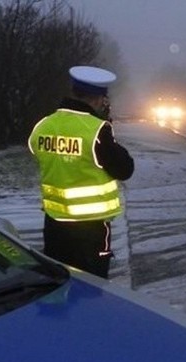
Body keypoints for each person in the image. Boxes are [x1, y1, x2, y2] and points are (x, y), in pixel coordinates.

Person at [28, 65, 134, 279]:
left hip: (54, 224)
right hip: (90, 230)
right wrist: (106, 125)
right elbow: (125, 169)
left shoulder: (44, 124)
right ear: (98, 99)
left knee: (59, 281)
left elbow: (35, 151)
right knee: (91, 287)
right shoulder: (96, 129)